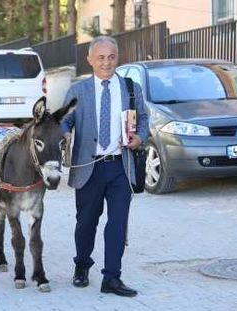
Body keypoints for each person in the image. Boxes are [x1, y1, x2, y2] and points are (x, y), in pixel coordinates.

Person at [61, 35, 149, 297]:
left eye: (111, 57)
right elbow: (63, 120)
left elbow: (143, 119)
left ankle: (112, 277)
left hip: (121, 166)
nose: (106, 62)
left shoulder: (131, 88)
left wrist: (140, 137)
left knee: (118, 224)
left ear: (117, 58)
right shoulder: (78, 91)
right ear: (90, 60)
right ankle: (82, 266)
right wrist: (64, 133)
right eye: (100, 57)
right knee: (86, 222)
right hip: (89, 166)